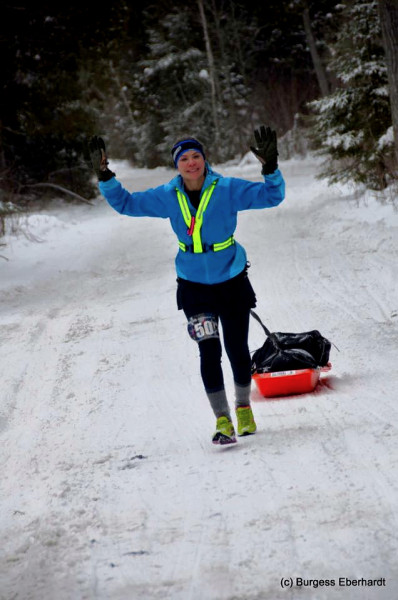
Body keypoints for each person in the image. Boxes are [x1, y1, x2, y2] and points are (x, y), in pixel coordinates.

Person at [88, 127, 285, 445]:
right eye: (184, 159)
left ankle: (244, 407)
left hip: (232, 281)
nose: (191, 163)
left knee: (236, 350)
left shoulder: (228, 189)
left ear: (204, 160)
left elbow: (272, 196)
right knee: (209, 352)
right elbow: (126, 204)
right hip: (194, 289)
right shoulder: (167, 196)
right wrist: (105, 174)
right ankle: (222, 420)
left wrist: (271, 168)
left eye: (196, 156)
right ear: (176, 165)